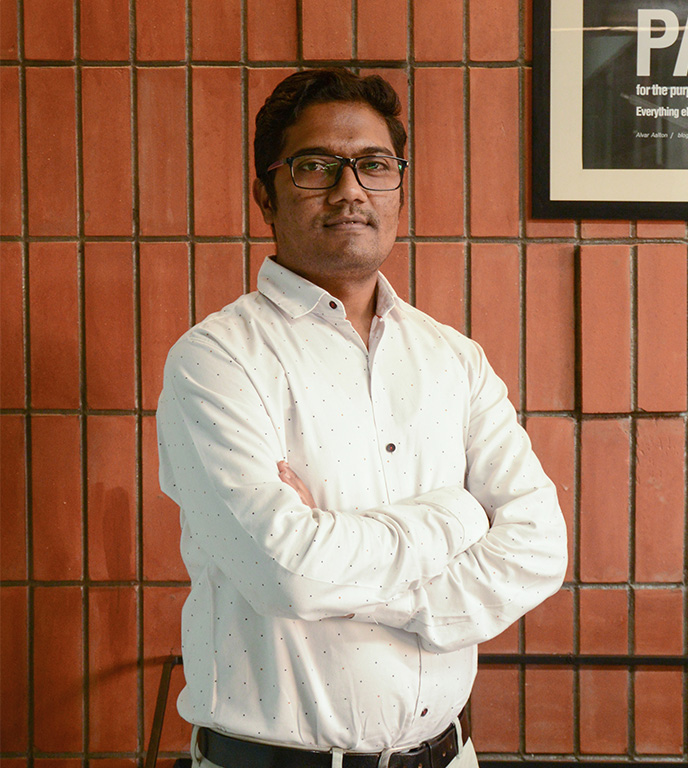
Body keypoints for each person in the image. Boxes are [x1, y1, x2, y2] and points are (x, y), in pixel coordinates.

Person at [156, 68, 568, 768]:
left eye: (374, 165)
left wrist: (346, 577)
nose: (350, 190)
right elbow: (286, 575)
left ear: (398, 188)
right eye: (316, 166)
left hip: (448, 756)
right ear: (266, 194)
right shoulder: (216, 359)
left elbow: (538, 549)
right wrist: (460, 515)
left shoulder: (453, 357)